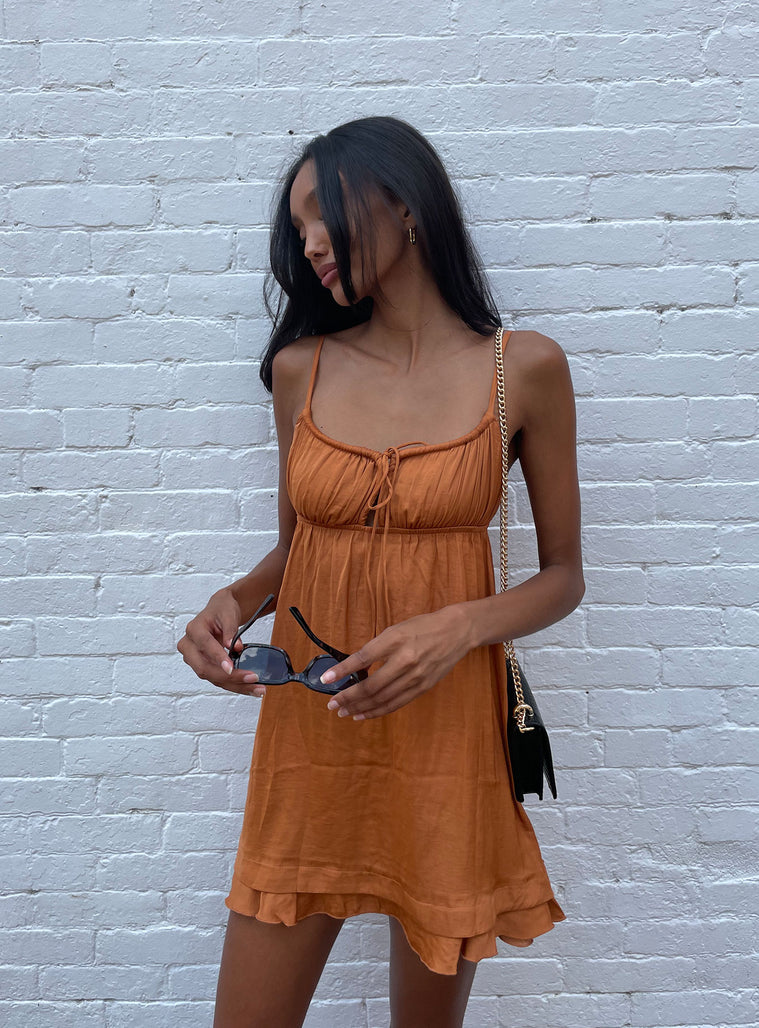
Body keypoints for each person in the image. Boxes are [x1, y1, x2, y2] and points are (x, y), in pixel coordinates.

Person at [177, 116, 584, 1028]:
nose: (309, 245)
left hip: (447, 733)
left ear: (404, 204)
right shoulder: (302, 369)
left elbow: (563, 575)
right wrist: (231, 602)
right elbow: (298, 550)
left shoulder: (522, 369)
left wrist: (459, 625)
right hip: (309, 737)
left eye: (321, 214)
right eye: (298, 230)